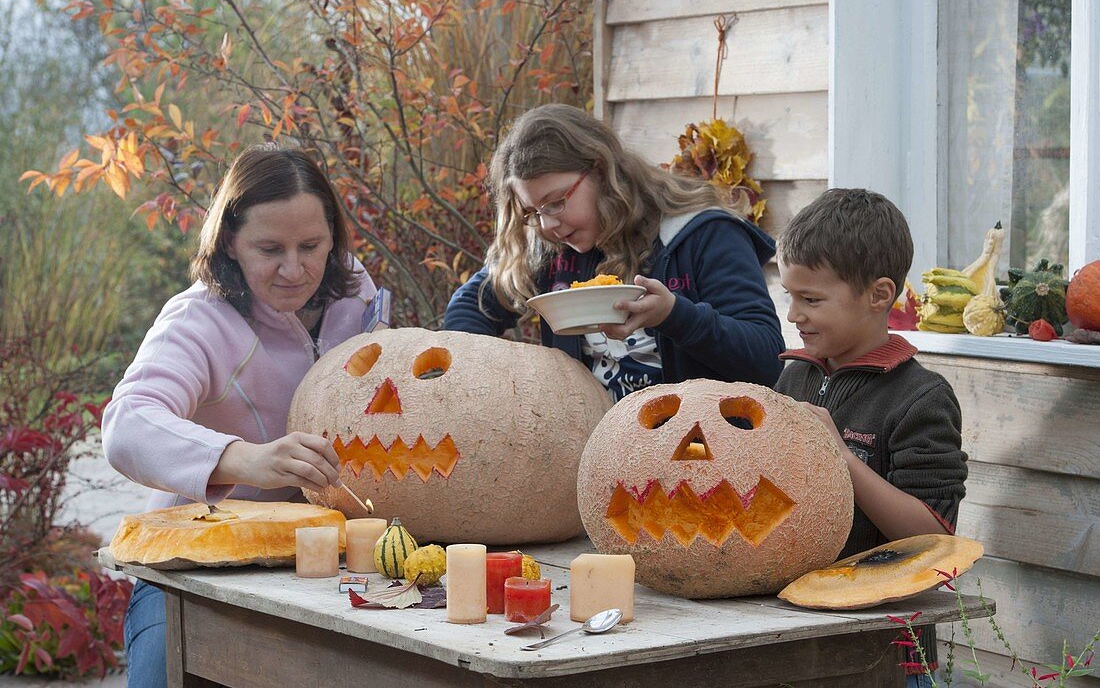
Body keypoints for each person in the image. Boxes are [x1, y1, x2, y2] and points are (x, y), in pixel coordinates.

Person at [102, 145, 380, 688]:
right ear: (230, 241)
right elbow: (127, 423)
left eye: (312, 246)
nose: (294, 269)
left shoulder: (357, 295)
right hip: (191, 567)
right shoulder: (196, 320)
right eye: (270, 248)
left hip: (326, 559)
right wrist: (245, 460)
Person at [444, 104, 783, 399]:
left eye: (556, 202)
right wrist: (485, 380)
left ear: (603, 172)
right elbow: (469, 307)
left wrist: (675, 316)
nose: (547, 226)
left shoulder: (704, 235)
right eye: (533, 212)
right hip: (590, 453)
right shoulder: (551, 250)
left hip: (696, 453)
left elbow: (767, 360)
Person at [774, 188, 969, 687]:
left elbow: (933, 537)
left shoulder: (921, 397)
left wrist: (840, 456)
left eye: (811, 299)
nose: (794, 314)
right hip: (793, 632)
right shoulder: (795, 376)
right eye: (789, 296)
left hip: (885, 651)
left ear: (880, 295)